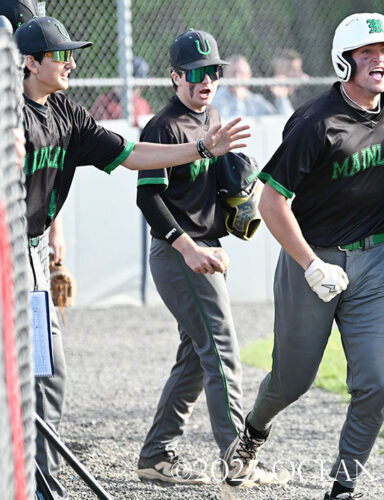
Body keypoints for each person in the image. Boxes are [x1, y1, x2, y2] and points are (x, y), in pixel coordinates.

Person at [13, 17, 249, 498]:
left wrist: (203, 148)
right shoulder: (5, 113)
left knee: (46, 373)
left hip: (33, 255)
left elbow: (131, 155)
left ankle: (41, 484)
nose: (72, 63)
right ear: (31, 63)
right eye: (61, 56)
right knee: (14, 371)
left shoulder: (66, 112)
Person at [222, 13, 384, 500]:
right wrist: (311, 264)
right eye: (367, 52)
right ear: (344, 61)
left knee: (376, 383)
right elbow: (271, 202)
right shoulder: (315, 121)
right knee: (293, 379)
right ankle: (254, 431)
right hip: (312, 258)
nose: (380, 60)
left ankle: (343, 485)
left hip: (374, 261)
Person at [133, 29, 282, 487]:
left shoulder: (212, 116)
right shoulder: (163, 127)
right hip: (179, 252)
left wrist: (234, 189)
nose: (207, 81)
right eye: (196, 73)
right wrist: (189, 246)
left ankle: (156, 455)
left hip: (204, 248)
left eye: (213, 72)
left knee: (197, 359)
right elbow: (148, 198)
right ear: (175, 76)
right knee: (221, 350)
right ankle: (239, 458)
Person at [89, 56, 154, 127]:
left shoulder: (142, 104)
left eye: (140, 87)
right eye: (136, 87)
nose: (139, 90)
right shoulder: (105, 102)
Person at [210, 54, 279, 117]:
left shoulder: (256, 100)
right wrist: (238, 99)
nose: (237, 77)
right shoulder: (216, 100)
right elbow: (236, 122)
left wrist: (280, 99)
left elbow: (279, 120)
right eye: (233, 73)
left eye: (241, 73)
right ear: (224, 75)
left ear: (249, 75)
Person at [269, 48, 309, 114]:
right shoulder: (267, 95)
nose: (297, 74)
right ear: (277, 71)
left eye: (299, 69)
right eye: (290, 69)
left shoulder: (304, 93)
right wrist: (281, 98)